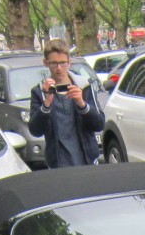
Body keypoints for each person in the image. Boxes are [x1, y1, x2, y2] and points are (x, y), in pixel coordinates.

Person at [28, 38, 104, 168]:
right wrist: (46, 104)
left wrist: (82, 104)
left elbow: (99, 124)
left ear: (69, 62)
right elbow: (35, 130)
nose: (59, 68)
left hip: (87, 162)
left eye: (63, 63)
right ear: (45, 63)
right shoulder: (39, 91)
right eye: (54, 63)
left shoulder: (84, 86)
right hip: (58, 164)